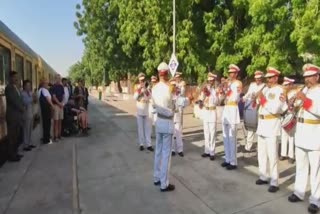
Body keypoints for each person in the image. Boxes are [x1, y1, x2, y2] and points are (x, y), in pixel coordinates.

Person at [288, 64, 320, 214]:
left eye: (309, 76)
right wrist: (292, 104)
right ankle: (299, 192)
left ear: (317, 77)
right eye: (305, 76)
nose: (306, 79)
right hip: (300, 133)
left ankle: (315, 200)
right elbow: (299, 108)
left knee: (315, 170)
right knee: (301, 166)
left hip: (314, 133)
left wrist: (305, 100)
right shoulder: (305, 90)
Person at [255, 67, 287, 193]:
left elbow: (274, 109)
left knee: (272, 155)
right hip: (262, 124)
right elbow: (261, 105)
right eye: (266, 78)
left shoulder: (280, 90)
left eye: (269, 77)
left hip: (272, 124)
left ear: (275, 78)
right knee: (261, 153)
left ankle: (274, 181)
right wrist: (258, 98)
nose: (267, 80)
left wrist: (262, 99)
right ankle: (263, 175)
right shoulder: (267, 89)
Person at [152, 62, 175, 192]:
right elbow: (174, 105)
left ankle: (156, 177)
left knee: (158, 151)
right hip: (167, 122)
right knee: (166, 154)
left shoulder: (154, 88)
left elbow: (154, 106)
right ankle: (164, 183)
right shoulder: (170, 88)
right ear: (166, 73)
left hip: (158, 121)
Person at [221, 64, 242, 170]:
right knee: (225, 136)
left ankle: (233, 162)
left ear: (236, 73)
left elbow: (235, 97)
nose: (230, 74)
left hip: (233, 109)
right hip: (226, 109)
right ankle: (227, 158)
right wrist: (223, 87)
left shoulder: (238, 83)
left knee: (232, 137)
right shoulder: (229, 84)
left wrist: (227, 87)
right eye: (229, 73)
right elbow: (223, 97)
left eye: (232, 73)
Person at [242, 71, 265, 152]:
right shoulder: (252, 85)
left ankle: (260, 147)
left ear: (262, 78)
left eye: (259, 79)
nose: (257, 80)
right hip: (251, 107)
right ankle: (248, 146)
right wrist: (244, 98)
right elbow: (248, 93)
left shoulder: (264, 86)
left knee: (259, 128)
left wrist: (257, 98)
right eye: (256, 79)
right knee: (251, 128)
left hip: (259, 107)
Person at [199, 72, 219, 160]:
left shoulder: (217, 90)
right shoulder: (205, 89)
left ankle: (212, 152)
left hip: (212, 111)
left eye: (212, 81)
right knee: (206, 132)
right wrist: (201, 101)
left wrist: (210, 94)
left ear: (214, 81)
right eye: (209, 81)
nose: (210, 82)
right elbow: (201, 98)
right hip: (206, 111)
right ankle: (206, 151)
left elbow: (217, 101)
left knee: (212, 133)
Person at [5, 71, 24, 162]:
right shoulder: (9, 88)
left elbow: (20, 99)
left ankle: (15, 153)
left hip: (17, 116)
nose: (16, 79)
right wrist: (22, 108)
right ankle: (11, 156)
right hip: (12, 116)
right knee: (12, 137)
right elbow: (14, 101)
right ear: (10, 78)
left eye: (17, 77)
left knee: (16, 136)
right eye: (14, 77)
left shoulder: (16, 88)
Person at [133, 73, 153, 152]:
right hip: (139, 110)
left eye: (143, 80)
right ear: (139, 80)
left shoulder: (148, 87)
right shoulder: (136, 87)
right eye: (141, 80)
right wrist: (140, 90)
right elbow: (134, 97)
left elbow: (150, 97)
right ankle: (141, 144)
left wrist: (146, 90)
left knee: (147, 129)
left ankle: (149, 144)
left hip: (146, 110)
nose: (142, 81)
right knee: (140, 128)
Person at [280, 77, 296, 164]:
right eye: (284, 85)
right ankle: (283, 153)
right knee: (283, 136)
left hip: (291, 115)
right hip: (283, 115)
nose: (285, 86)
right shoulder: (283, 93)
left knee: (291, 136)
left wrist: (292, 104)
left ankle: (291, 155)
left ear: (290, 85)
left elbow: (296, 105)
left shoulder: (294, 93)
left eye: (286, 85)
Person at [171, 72, 186, 157]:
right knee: (172, 133)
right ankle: (172, 149)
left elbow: (183, 100)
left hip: (178, 114)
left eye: (175, 86)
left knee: (179, 133)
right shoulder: (169, 95)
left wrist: (179, 89)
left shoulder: (179, 94)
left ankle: (180, 149)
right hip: (171, 115)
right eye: (173, 86)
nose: (174, 88)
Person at [21, 80, 36, 151]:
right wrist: (32, 98)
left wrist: (34, 98)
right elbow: (25, 102)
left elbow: (34, 101)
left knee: (30, 129)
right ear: (24, 86)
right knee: (26, 130)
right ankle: (25, 145)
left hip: (31, 113)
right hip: (26, 114)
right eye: (27, 85)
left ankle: (30, 143)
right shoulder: (22, 93)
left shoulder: (30, 93)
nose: (29, 87)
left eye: (29, 85)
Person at [38, 78, 55, 144]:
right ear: (43, 84)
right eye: (46, 83)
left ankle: (45, 137)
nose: (47, 84)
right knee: (47, 124)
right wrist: (52, 106)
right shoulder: (44, 90)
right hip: (46, 108)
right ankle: (46, 139)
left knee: (45, 124)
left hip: (43, 108)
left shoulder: (40, 90)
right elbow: (48, 99)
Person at [51, 74, 65, 141]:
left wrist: (62, 103)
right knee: (56, 121)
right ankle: (55, 136)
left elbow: (63, 95)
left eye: (59, 78)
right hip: (56, 106)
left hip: (61, 105)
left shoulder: (61, 87)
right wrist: (59, 104)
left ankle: (59, 135)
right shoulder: (53, 87)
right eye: (57, 78)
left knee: (60, 121)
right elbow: (54, 97)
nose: (58, 80)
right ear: (55, 79)